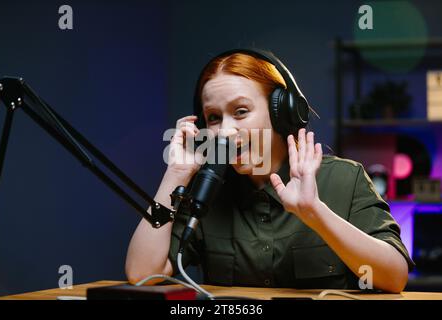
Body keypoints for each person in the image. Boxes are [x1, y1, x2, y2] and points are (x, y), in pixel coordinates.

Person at [125, 49, 414, 293]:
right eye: (213, 118)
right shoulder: (207, 192)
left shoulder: (345, 179)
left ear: (281, 113)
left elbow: (394, 277)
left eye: (240, 112)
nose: (224, 131)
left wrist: (316, 213)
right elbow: (142, 275)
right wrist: (175, 173)